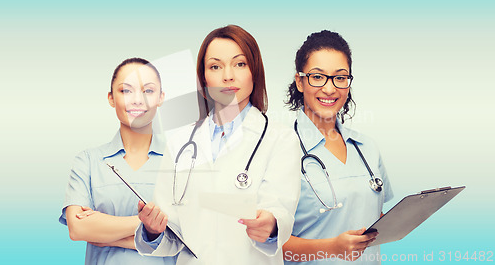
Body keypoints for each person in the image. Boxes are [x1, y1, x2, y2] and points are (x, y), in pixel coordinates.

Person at [134, 25, 301, 265]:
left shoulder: (280, 138)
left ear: (255, 71)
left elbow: (281, 212)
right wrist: (152, 230)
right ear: (203, 78)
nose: (227, 76)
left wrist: (271, 226)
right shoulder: (180, 143)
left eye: (239, 64)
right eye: (215, 66)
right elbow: (172, 235)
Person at [282, 30, 393, 264]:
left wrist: (408, 216)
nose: (330, 89)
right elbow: (269, 243)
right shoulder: (280, 150)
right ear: (300, 82)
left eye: (340, 77)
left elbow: (374, 216)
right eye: (318, 77)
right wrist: (332, 248)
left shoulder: (367, 148)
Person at [59, 58, 175, 265]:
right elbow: (77, 229)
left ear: (161, 97)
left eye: (148, 91)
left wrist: (104, 231)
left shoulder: (179, 162)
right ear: (111, 98)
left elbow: (186, 234)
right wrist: (147, 224)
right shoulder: (88, 161)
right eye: (126, 91)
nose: (137, 100)